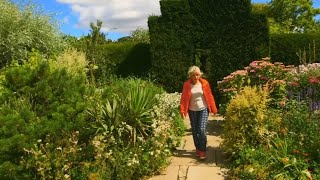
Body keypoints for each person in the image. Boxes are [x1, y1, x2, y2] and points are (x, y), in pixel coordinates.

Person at [180, 65, 218, 160]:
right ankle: (198, 149)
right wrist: (182, 110)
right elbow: (184, 98)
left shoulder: (204, 83)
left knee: (201, 130)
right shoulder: (187, 85)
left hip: (203, 109)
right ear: (190, 76)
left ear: (200, 75)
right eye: (193, 75)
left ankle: (203, 150)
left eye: (197, 75)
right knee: (195, 131)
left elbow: (209, 96)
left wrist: (213, 108)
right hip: (192, 110)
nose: (196, 77)